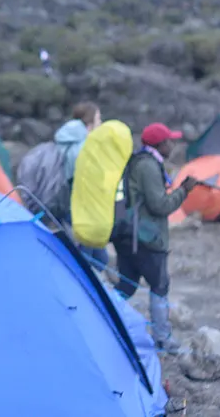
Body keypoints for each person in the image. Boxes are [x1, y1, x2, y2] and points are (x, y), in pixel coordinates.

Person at [113, 122, 198, 353]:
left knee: (126, 286)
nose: (173, 144)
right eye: (170, 141)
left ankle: (105, 321)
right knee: (160, 285)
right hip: (146, 238)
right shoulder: (149, 167)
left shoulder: (137, 161)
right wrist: (184, 190)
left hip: (127, 235)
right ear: (160, 145)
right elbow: (160, 205)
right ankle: (163, 339)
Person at [56, 102, 108, 265]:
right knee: (92, 260)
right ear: (89, 122)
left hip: (65, 204)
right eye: (98, 118)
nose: (100, 123)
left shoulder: (65, 140)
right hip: (82, 209)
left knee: (97, 258)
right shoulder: (84, 146)